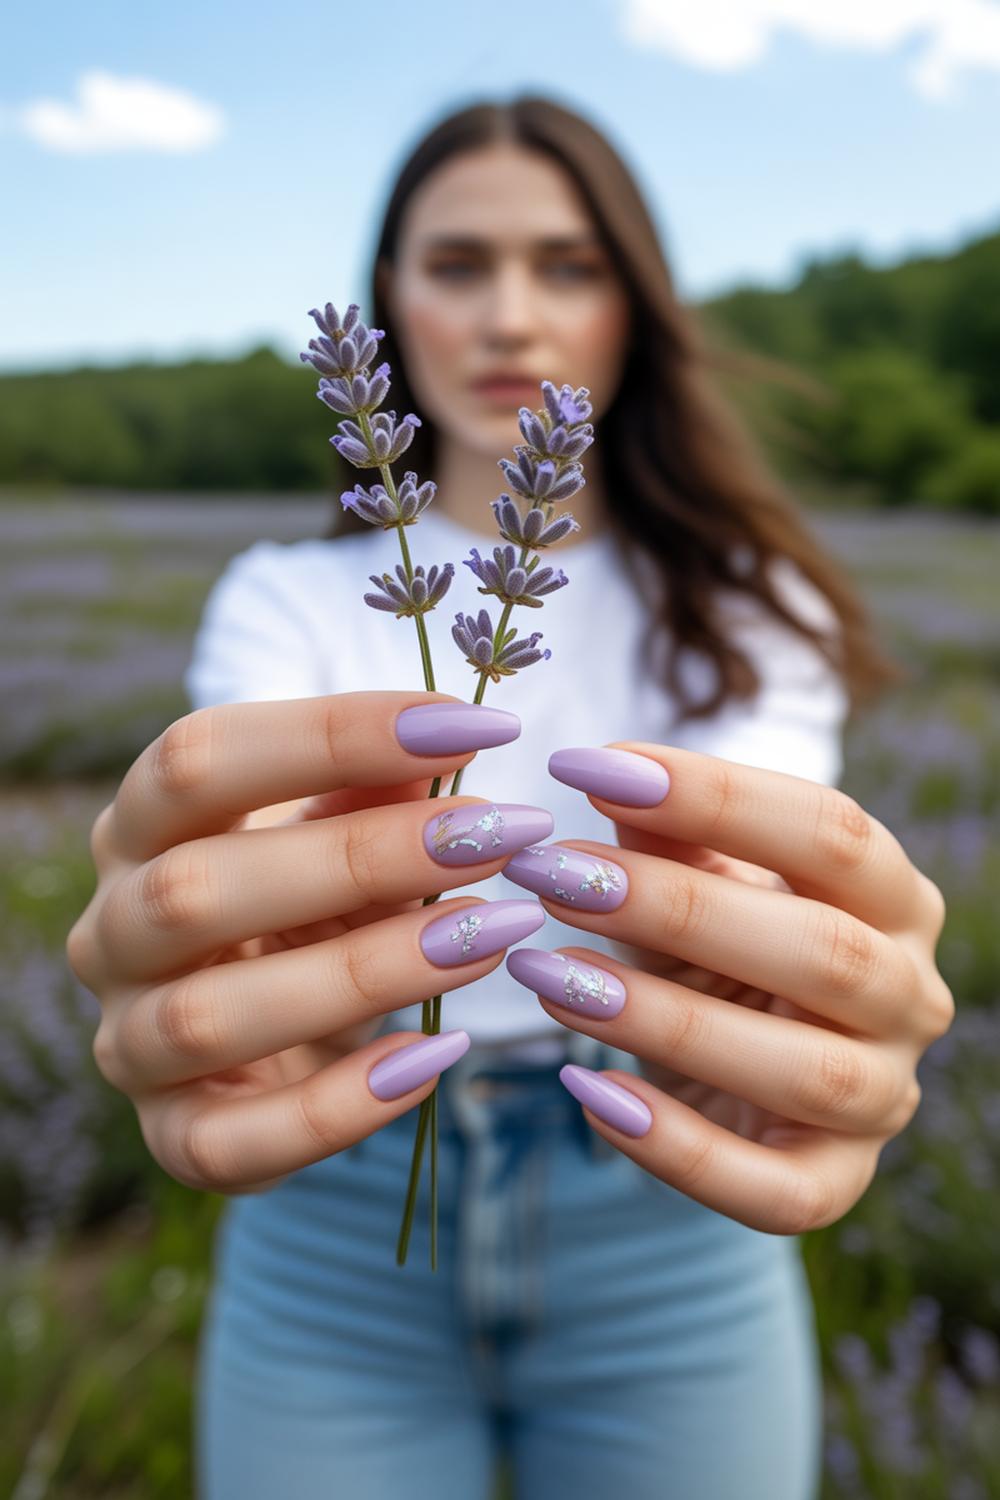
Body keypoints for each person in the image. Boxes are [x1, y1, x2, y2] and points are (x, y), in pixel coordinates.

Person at [68, 98, 952, 1500]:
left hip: (659, 1190)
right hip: (336, 1194)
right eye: (459, 264)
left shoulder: (746, 609)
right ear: (391, 301)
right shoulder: (284, 597)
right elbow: (238, 852)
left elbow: (765, 893)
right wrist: (222, 959)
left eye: (569, 264)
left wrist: (793, 991)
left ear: (637, 304)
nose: (510, 317)